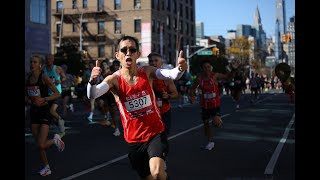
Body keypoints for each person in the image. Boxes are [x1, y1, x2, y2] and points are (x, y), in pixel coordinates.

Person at [87, 36, 187, 180]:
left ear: (137, 54)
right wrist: (92, 81)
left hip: (155, 132)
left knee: (157, 172)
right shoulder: (114, 80)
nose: (128, 53)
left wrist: (180, 68)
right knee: (150, 178)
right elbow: (93, 94)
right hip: (134, 140)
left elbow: (171, 74)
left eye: (132, 50)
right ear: (117, 55)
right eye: (124, 50)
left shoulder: (147, 71)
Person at [25, 55, 65, 176]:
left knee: (42, 144)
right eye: (31, 62)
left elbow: (57, 93)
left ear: (40, 65)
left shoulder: (44, 77)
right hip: (34, 112)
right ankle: (47, 167)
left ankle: (55, 140)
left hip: (44, 111)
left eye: (35, 62)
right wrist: (28, 99)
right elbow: (26, 95)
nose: (32, 64)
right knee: (39, 145)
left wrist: (44, 99)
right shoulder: (28, 78)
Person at [189, 59, 240, 151]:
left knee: (216, 123)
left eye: (209, 67)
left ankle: (217, 120)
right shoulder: (199, 78)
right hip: (204, 105)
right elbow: (192, 88)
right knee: (206, 124)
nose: (207, 69)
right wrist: (192, 96)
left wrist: (233, 70)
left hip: (215, 104)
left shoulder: (215, 76)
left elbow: (227, 77)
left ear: (211, 68)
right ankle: (210, 141)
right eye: (205, 67)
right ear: (202, 69)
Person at [148, 52, 178, 135]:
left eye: (156, 60)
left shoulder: (166, 78)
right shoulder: (143, 78)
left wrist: (168, 96)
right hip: (149, 114)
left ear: (161, 63)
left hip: (163, 112)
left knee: (163, 138)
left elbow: (175, 94)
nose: (153, 63)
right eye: (151, 61)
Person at [43, 54, 66, 137]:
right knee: (52, 116)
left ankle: (61, 122)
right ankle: (61, 127)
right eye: (47, 59)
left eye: (49, 59)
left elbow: (64, 78)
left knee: (52, 111)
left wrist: (60, 80)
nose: (48, 60)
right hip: (48, 94)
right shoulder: (43, 69)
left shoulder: (58, 68)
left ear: (53, 60)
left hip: (57, 93)